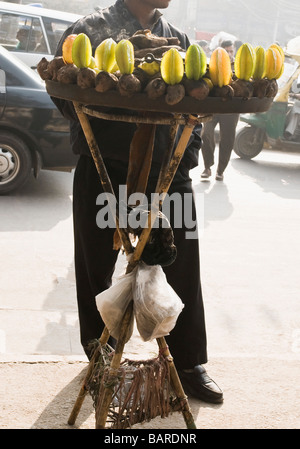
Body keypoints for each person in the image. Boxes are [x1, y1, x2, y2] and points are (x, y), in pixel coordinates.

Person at [52, 0, 223, 404]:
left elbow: (195, 111)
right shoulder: (90, 30)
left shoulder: (179, 41)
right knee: (96, 266)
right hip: (105, 170)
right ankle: (100, 357)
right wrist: (113, 124)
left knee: (182, 263)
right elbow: (64, 94)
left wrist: (187, 156)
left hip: (169, 173)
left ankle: (188, 362)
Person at [200, 39, 240, 181]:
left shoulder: (238, 65)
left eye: (231, 51)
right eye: (226, 51)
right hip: (213, 107)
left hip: (231, 109)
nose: (229, 54)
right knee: (206, 135)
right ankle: (207, 167)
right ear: (220, 51)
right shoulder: (212, 64)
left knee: (227, 139)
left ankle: (220, 170)